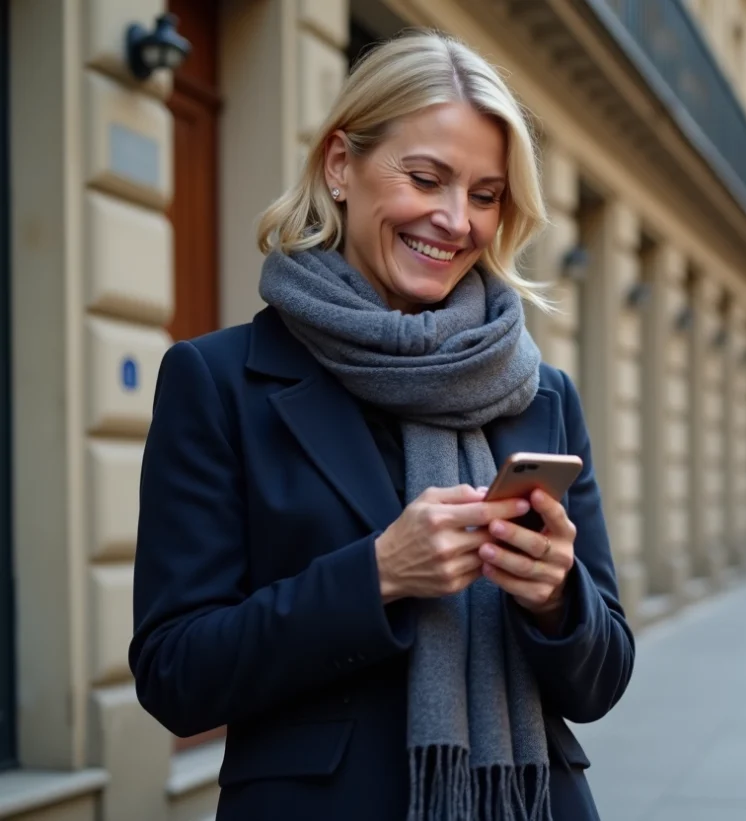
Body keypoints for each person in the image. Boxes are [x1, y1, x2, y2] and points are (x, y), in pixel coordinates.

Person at [128, 32, 634, 821]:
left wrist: (556, 598)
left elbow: (603, 679)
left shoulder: (541, 393)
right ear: (340, 166)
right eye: (426, 177)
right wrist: (378, 573)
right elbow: (175, 674)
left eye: (486, 193)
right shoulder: (220, 380)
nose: (454, 219)